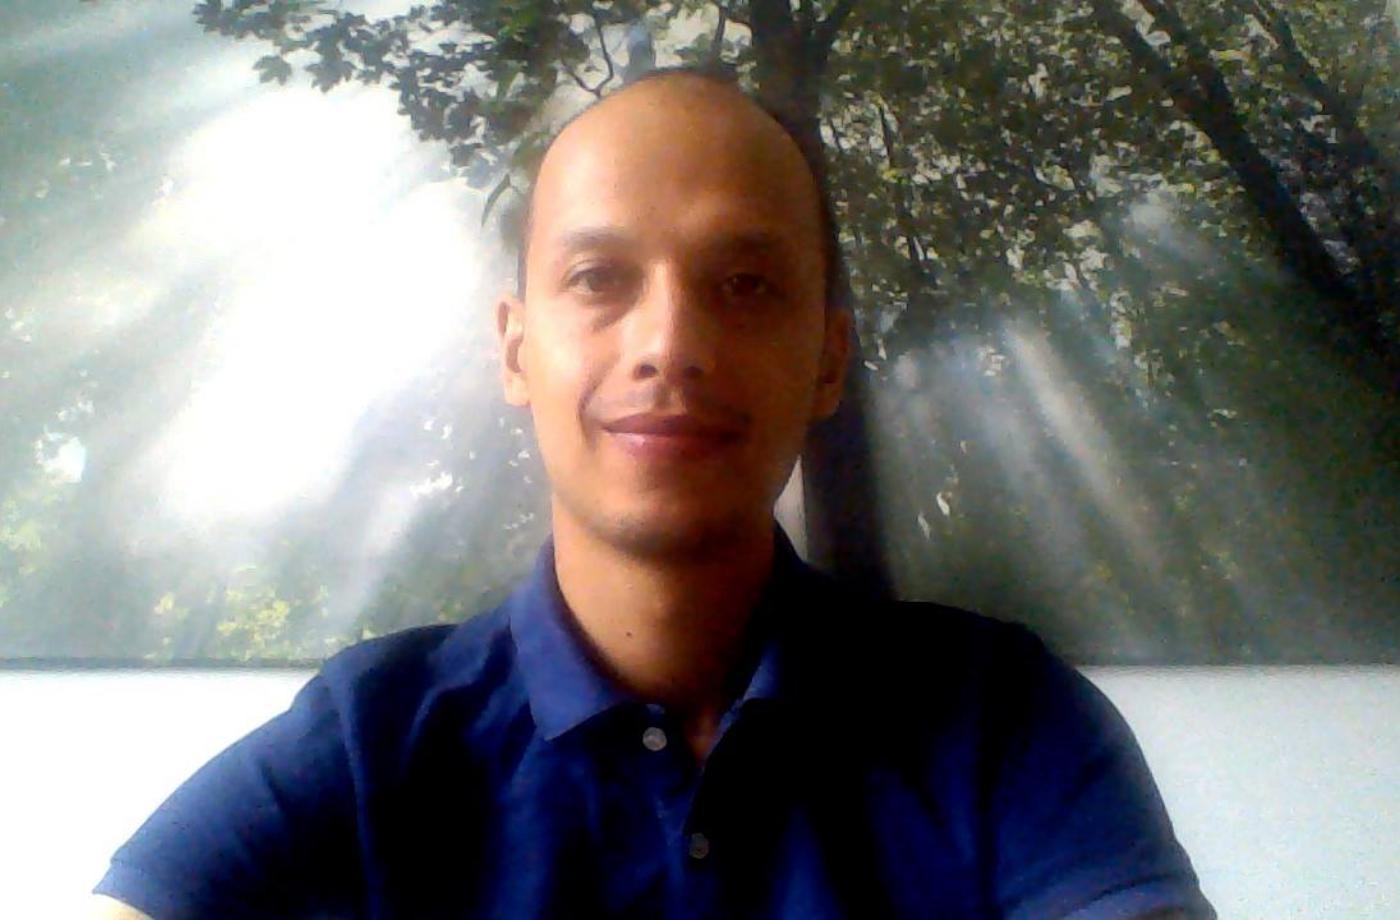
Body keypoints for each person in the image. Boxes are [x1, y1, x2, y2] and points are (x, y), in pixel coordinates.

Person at [92, 67, 1214, 918]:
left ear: (827, 360)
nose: (669, 342)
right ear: (517, 350)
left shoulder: (1006, 724)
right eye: (597, 278)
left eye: (744, 283)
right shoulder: (365, 745)